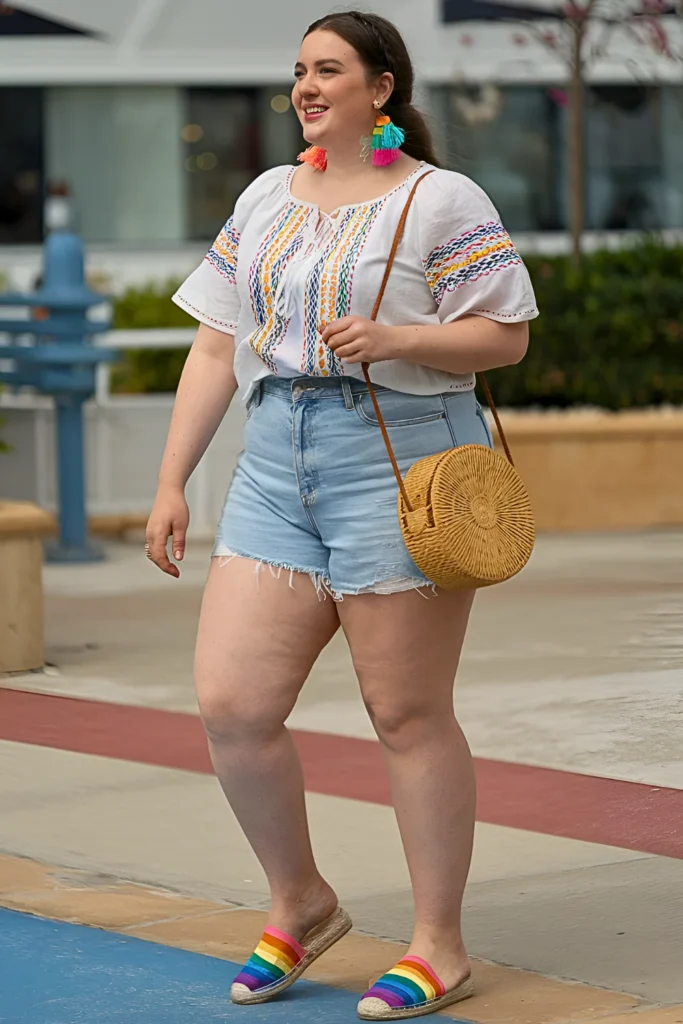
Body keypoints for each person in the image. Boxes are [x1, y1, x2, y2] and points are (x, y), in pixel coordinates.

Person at [145, 10, 538, 1020]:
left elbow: (504, 336)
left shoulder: (439, 197)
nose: (306, 87)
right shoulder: (267, 194)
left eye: (327, 69)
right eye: (298, 71)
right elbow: (215, 344)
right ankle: (301, 901)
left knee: (404, 713)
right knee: (232, 705)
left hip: (398, 460)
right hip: (275, 458)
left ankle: (438, 944)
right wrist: (172, 479)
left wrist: (398, 337)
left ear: (381, 86)